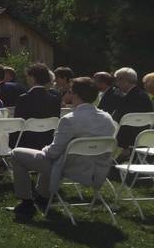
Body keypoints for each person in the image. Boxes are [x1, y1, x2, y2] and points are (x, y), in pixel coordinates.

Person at [11, 77, 118, 216]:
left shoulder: (70, 119)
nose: (68, 94)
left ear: (76, 94)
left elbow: (53, 153)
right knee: (52, 156)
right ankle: (43, 197)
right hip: (96, 168)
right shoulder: (107, 118)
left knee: (17, 154)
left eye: (70, 91)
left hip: (69, 167)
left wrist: (44, 150)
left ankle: (26, 203)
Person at [15, 63, 62, 150]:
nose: (27, 79)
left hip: (26, 144)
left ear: (32, 78)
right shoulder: (55, 99)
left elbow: (18, 125)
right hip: (48, 142)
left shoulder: (23, 99)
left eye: (27, 77)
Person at [112, 67, 154, 149]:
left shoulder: (131, 98)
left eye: (117, 80)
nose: (116, 84)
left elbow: (118, 119)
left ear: (124, 81)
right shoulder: (141, 95)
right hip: (143, 138)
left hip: (128, 139)